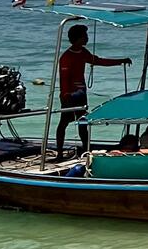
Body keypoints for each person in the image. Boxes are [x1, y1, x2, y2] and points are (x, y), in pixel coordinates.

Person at [53, 24, 127, 157]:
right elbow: (64, 79)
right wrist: (65, 95)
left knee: (83, 121)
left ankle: (85, 148)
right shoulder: (66, 57)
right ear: (78, 38)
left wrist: (120, 61)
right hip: (70, 94)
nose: (87, 38)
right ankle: (59, 152)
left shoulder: (83, 52)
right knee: (64, 123)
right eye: (85, 36)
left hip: (81, 93)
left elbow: (97, 61)